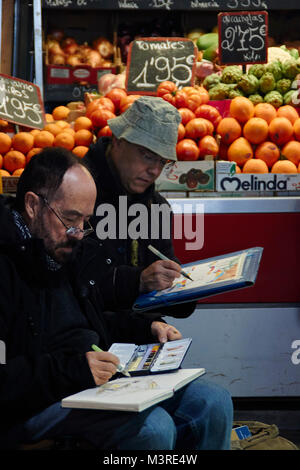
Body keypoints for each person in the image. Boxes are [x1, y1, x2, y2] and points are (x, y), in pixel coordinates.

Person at [0, 147, 233, 450]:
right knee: (152, 430)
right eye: (70, 218)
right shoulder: (7, 265)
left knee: (212, 402)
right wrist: (72, 371)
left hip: (93, 380)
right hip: (34, 402)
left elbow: (90, 322)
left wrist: (144, 328)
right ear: (32, 205)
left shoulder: (66, 249)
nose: (79, 233)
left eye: (86, 221)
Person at [84, 96, 196, 318]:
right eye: (147, 156)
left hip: (141, 338)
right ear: (117, 140)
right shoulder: (77, 195)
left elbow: (162, 267)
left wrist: (181, 288)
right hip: (86, 345)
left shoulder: (156, 207)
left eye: (162, 161)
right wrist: (138, 281)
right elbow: (70, 291)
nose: (155, 170)